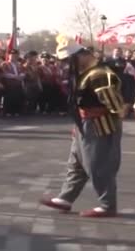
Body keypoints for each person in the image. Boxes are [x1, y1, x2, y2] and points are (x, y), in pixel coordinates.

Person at [40, 34, 125, 218]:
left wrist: (102, 122)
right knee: (77, 163)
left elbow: (116, 106)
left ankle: (107, 204)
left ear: (80, 56)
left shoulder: (99, 74)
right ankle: (66, 198)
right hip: (84, 124)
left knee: (98, 165)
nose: (66, 65)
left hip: (100, 126)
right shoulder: (87, 73)